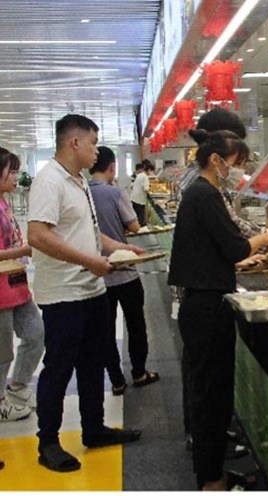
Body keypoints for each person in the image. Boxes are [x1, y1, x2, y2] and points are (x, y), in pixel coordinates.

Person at [168, 130, 268, 491]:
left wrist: (244, 252)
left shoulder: (201, 192)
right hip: (206, 307)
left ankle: (215, 473)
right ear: (216, 160)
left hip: (204, 300)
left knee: (211, 391)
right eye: (237, 163)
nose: (239, 171)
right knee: (210, 394)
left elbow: (216, 248)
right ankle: (211, 480)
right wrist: (267, 239)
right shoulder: (204, 193)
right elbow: (234, 246)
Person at [27, 114, 144, 473]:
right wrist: (90, 262)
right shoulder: (50, 181)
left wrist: (119, 248)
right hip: (64, 295)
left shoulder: (78, 182)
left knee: (93, 362)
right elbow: (38, 235)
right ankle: (48, 442)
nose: (97, 151)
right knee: (59, 369)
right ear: (74, 142)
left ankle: (94, 428)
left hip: (90, 290)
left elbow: (89, 235)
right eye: (93, 143)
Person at [89, 146, 159, 396]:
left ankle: (116, 380)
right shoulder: (115, 193)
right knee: (136, 324)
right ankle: (139, 373)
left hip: (98, 275)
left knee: (105, 329)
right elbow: (133, 225)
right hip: (125, 271)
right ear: (111, 167)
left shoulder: (82, 193)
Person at [0, 148, 44, 422]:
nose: (17, 176)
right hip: (1, 293)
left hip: (17, 285)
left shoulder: (4, 203)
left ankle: (17, 384)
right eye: (11, 171)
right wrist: (22, 251)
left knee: (36, 334)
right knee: (3, 351)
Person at [130, 160, 154, 225]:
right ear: (148, 170)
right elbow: (146, 189)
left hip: (134, 198)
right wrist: (152, 193)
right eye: (151, 170)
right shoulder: (145, 177)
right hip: (139, 200)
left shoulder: (140, 175)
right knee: (140, 218)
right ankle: (140, 230)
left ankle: (137, 228)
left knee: (137, 216)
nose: (151, 172)